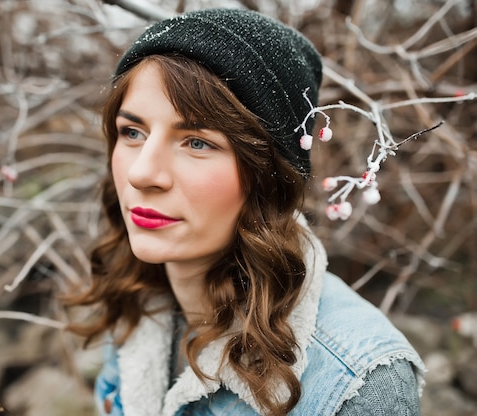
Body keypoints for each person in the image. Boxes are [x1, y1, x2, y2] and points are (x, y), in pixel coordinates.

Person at [66, 7, 425, 416]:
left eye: (197, 142)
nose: (143, 173)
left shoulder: (357, 382)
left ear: (266, 177)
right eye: (132, 132)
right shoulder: (137, 305)